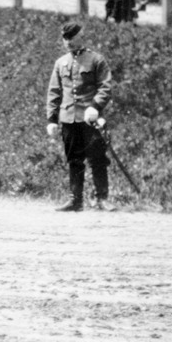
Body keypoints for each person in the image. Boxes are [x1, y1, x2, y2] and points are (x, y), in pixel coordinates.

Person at [46, 23, 114, 211]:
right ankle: (75, 200)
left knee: (97, 158)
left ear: (80, 37)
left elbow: (106, 87)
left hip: (90, 118)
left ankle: (102, 198)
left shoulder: (96, 60)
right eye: (65, 38)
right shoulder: (60, 63)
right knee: (74, 159)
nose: (67, 42)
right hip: (68, 118)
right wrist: (51, 119)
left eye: (71, 38)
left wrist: (95, 106)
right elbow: (54, 92)